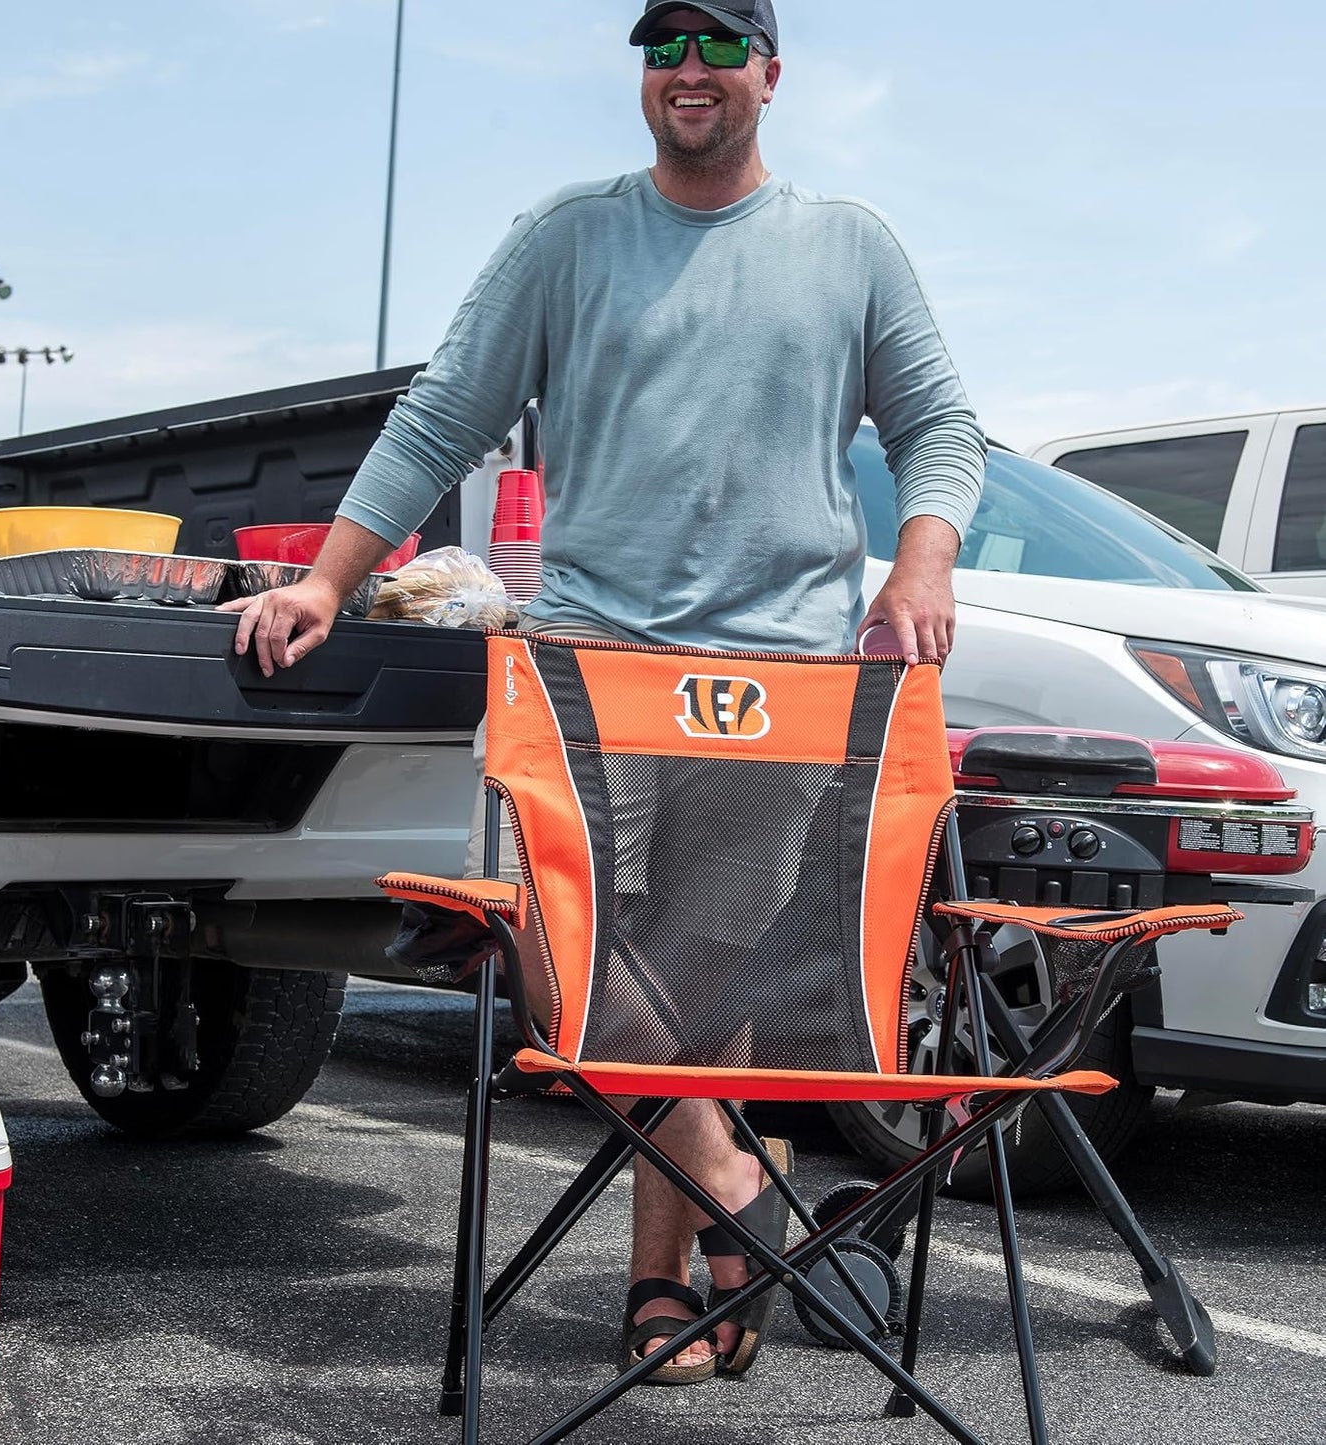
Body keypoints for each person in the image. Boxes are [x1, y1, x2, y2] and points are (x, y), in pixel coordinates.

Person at [223, 0, 985, 1384]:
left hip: (778, 684)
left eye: (713, 45)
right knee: (560, 953)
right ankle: (739, 1194)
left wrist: (917, 561)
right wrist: (329, 580)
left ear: (767, 70)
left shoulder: (847, 245)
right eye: (662, 47)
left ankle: (668, 1285)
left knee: (710, 986)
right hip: (591, 671)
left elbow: (939, 427)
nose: (686, 71)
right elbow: (441, 411)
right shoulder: (568, 238)